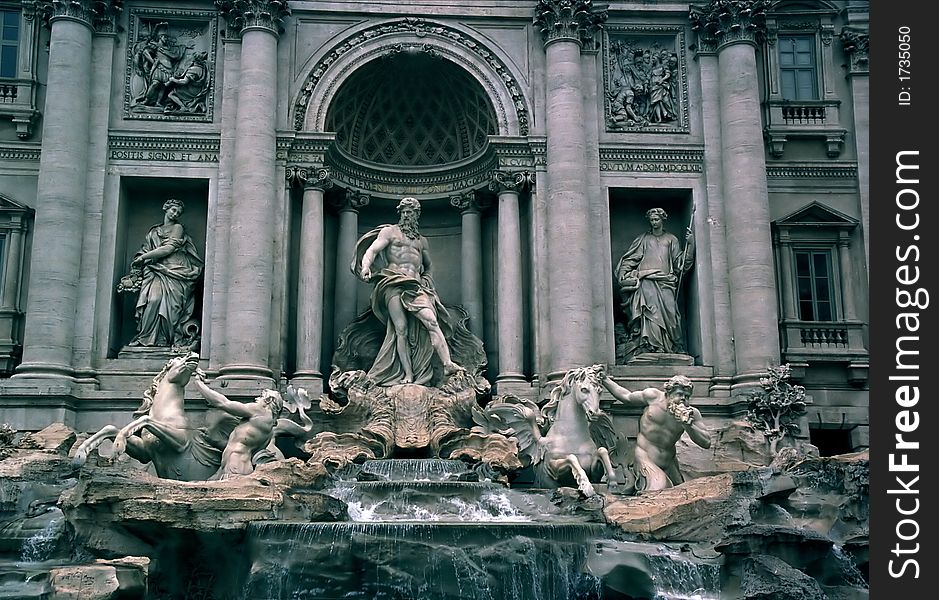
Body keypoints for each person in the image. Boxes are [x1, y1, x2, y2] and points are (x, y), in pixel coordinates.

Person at [352, 197, 464, 385]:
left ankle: (447, 363)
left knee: (431, 321)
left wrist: (427, 279)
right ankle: (408, 374)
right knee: (400, 329)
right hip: (393, 282)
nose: (406, 215)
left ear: (416, 215)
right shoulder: (390, 232)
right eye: (403, 212)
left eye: (410, 212)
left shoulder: (421, 241)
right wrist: (365, 267)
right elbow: (371, 251)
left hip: (415, 286)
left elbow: (428, 266)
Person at [600, 372, 710, 491]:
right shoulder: (653, 397)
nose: (683, 399)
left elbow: (706, 442)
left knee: (683, 495)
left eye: (687, 396)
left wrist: (688, 425)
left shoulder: (692, 414)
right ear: (668, 393)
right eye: (679, 394)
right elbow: (626, 396)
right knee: (659, 489)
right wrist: (605, 380)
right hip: (645, 457)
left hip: (669, 463)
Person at [614, 207, 694, 363]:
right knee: (650, 314)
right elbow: (630, 259)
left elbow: (680, 264)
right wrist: (624, 272)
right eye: (652, 220)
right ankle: (650, 346)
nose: (654, 222)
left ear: (662, 219)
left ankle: (671, 346)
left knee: (671, 315)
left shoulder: (671, 239)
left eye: (657, 219)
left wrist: (690, 245)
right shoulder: (643, 239)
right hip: (647, 281)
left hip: (666, 282)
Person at [127, 198, 203, 348]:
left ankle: (164, 339)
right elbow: (146, 248)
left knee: (171, 308)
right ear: (165, 208)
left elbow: (168, 249)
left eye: (178, 212)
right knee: (153, 300)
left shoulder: (178, 228)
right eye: (173, 210)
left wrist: (143, 257)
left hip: (176, 271)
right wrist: (139, 258)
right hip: (156, 270)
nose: (175, 214)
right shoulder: (154, 231)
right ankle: (146, 337)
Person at [193, 374, 284, 480]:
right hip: (239, 465)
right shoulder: (269, 430)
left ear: (268, 400)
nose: (256, 399)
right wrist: (213, 441)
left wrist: (198, 383)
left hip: (235, 466)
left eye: (260, 398)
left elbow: (223, 403)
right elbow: (241, 444)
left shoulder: (260, 410)